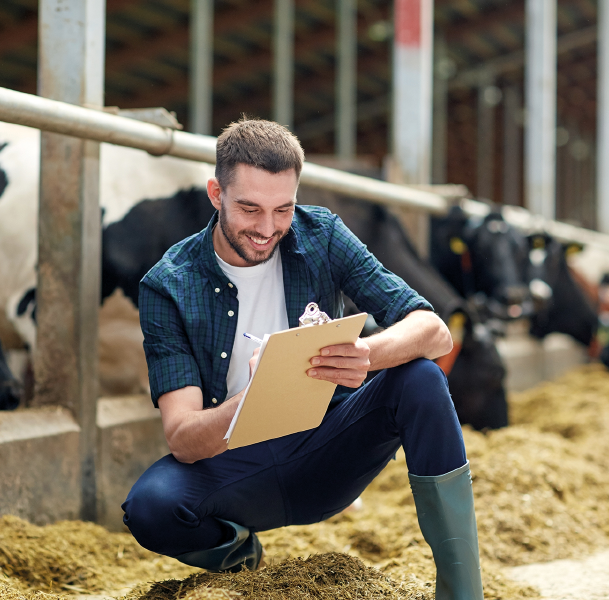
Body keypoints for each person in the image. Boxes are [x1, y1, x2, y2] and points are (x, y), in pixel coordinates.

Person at [123, 118, 484, 600]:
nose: (267, 229)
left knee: (419, 378)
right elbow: (184, 439)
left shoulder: (321, 235)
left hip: (328, 448)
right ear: (216, 194)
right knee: (150, 507)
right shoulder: (167, 284)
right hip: (233, 468)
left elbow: (433, 331)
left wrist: (364, 356)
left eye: (283, 209)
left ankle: (462, 592)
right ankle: (237, 558)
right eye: (250, 209)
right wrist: (257, 397)